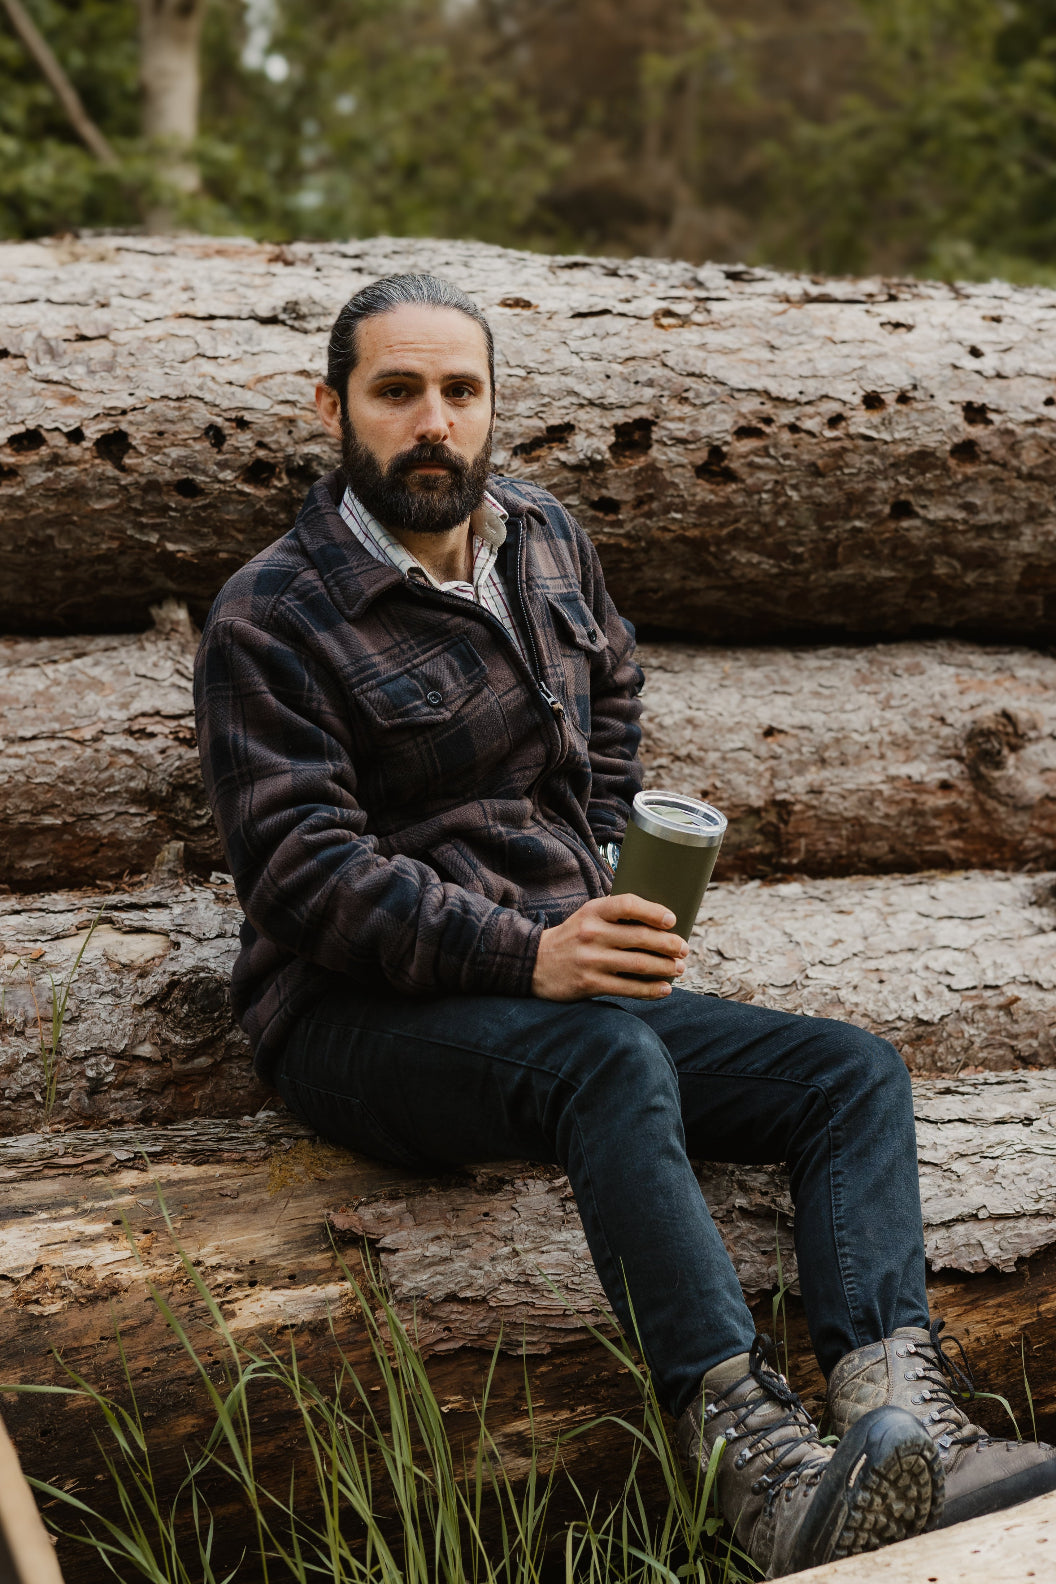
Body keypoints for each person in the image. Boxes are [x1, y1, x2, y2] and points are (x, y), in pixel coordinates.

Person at [194, 273, 1056, 1577]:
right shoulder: (274, 613)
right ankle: (757, 1472)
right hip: (353, 1018)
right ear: (332, 407)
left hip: (549, 985)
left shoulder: (540, 536)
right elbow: (304, 874)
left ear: (492, 407)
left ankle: (900, 1428)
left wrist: (600, 862)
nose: (434, 420)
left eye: (461, 392)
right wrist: (531, 951)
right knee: (610, 1059)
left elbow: (614, 688)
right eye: (397, 391)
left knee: (849, 1074)